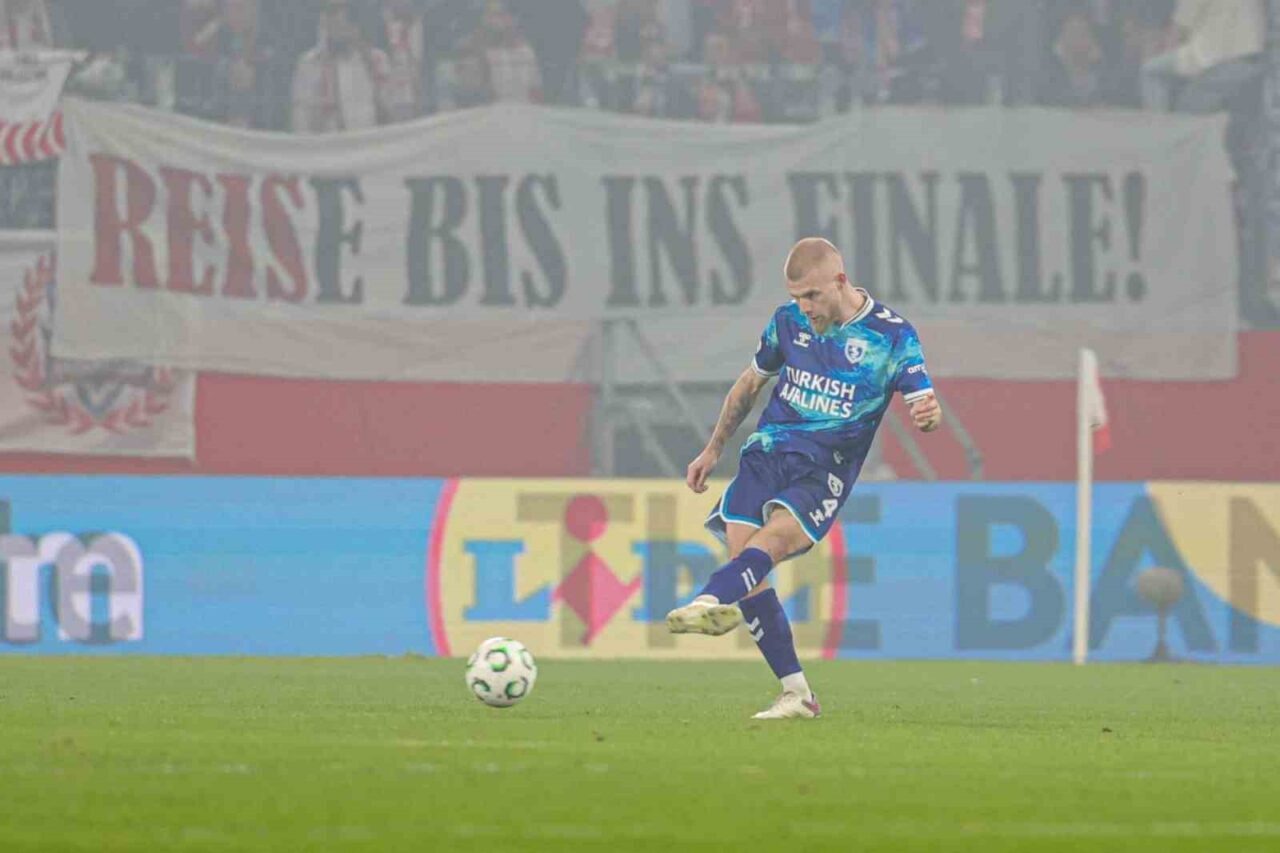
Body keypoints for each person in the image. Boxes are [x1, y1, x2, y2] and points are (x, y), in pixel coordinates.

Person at [665, 237, 942, 720]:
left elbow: (925, 404)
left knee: (768, 545)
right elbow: (750, 384)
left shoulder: (891, 336)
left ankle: (707, 599)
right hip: (767, 454)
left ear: (840, 281)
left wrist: (929, 416)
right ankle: (797, 694)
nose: (804, 307)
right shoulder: (787, 323)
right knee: (745, 561)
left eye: (811, 296)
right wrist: (713, 448)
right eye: (796, 297)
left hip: (824, 468)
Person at [291, 0, 390, 133]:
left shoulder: (377, 61)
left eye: (345, 11)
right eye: (331, 11)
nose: (338, 18)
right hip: (328, 143)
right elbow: (301, 121)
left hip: (370, 143)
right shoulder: (309, 64)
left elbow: (392, 116)